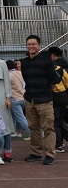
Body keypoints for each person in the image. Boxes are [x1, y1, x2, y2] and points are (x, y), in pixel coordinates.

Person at [21, 35, 60, 165]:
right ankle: (36, 152)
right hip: (29, 99)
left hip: (44, 100)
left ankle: (49, 154)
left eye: (34, 44)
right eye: (29, 44)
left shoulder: (46, 61)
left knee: (48, 128)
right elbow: (25, 79)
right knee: (33, 127)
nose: (31, 46)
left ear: (39, 46)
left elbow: (54, 80)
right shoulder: (24, 62)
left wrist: (46, 92)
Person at [48, 46, 68, 152]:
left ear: (52, 55)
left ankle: (59, 144)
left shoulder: (52, 68)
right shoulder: (63, 68)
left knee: (56, 121)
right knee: (61, 120)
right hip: (63, 96)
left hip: (54, 96)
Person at [7, 59, 30, 139]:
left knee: (20, 118)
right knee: (17, 117)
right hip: (22, 97)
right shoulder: (20, 73)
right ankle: (18, 132)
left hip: (14, 98)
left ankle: (32, 133)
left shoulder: (9, 74)